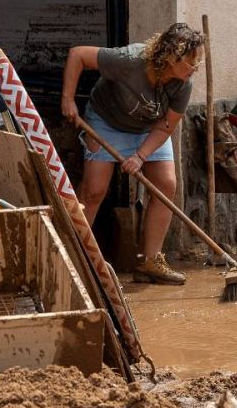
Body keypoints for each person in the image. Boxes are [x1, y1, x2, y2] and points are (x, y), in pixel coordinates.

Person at [61, 22, 205, 285]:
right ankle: (72, 257)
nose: (195, 68)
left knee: (165, 184)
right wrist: (68, 99)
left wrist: (140, 155)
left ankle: (150, 261)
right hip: (107, 122)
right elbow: (78, 55)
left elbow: (166, 126)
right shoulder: (130, 61)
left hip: (151, 128)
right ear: (172, 56)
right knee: (94, 190)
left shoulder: (183, 85)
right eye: (191, 62)